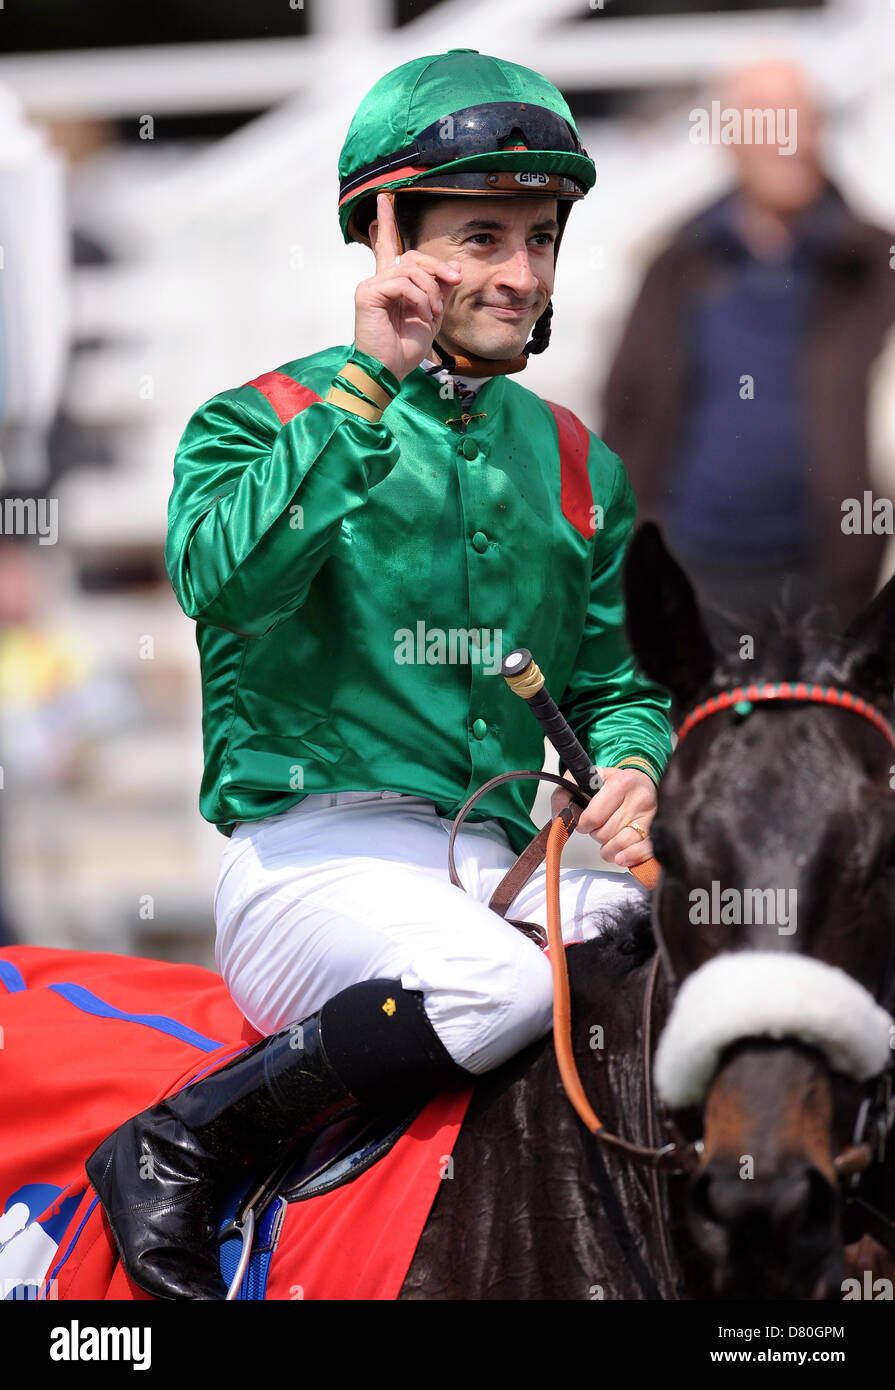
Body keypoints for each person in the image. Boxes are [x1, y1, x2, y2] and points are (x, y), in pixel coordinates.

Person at [86, 49, 672, 1300]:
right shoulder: (255, 418)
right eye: (481, 237)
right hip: (311, 863)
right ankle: (181, 1139)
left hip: (502, 862)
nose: (520, 274)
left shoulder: (577, 460)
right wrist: (364, 388)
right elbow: (224, 584)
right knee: (499, 980)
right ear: (386, 234)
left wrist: (629, 761)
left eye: (538, 238)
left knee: (681, 960)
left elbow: (621, 678)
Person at [602, 59, 895, 633]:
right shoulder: (679, 263)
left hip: (830, 577)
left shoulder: (873, 264)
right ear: (730, 139)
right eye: (766, 122)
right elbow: (629, 409)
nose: (785, 140)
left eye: (799, 120)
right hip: (695, 569)